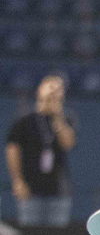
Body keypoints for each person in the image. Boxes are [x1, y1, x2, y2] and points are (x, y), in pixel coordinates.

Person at [5, 75, 77, 226]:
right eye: (51, 88)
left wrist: (58, 117)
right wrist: (18, 180)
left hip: (58, 190)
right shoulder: (24, 119)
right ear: (40, 91)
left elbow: (68, 144)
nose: (54, 93)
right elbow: (12, 150)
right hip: (30, 189)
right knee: (31, 233)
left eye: (58, 90)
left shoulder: (67, 118)